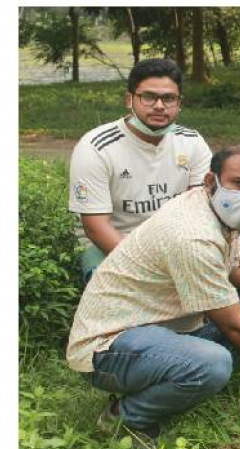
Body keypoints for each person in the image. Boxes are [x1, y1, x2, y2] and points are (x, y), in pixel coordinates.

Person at [66, 146, 240, 449]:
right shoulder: (192, 235)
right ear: (211, 181)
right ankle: (124, 418)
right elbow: (233, 327)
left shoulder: (212, 208)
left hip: (162, 325)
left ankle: (182, 376)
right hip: (109, 346)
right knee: (212, 363)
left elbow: (234, 263)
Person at [68, 58, 212, 284]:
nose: (159, 106)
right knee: (121, 307)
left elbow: (201, 213)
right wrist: (152, 267)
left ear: (179, 103)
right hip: (109, 245)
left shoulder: (192, 142)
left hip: (174, 243)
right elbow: (95, 228)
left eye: (168, 98)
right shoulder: (96, 147)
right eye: (148, 96)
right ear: (129, 99)